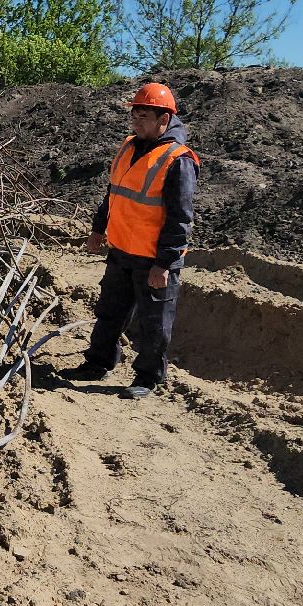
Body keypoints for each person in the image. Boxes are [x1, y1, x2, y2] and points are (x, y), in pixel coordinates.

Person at [66, 82, 199, 398]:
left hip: (153, 259)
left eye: (143, 116)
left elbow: (180, 219)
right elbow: (112, 194)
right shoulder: (128, 146)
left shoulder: (178, 159)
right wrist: (99, 230)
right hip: (122, 250)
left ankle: (148, 377)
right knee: (109, 312)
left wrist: (164, 263)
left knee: (154, 323)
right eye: (134, 115)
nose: (135, 122)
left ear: (163, 119)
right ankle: (96, 363)